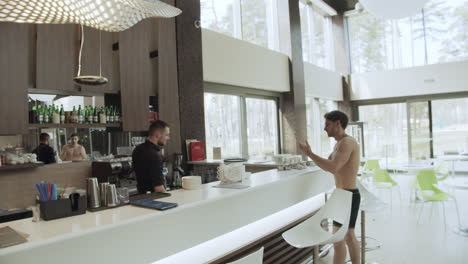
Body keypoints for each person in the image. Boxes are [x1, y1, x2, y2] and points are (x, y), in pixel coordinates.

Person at [298, 110, 361, 264]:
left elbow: (333, 167)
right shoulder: (339, 143)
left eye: (327, 124)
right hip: (342, 195)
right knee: (339, 239)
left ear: (337, 124)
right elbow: (331, 167)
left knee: (347, 236)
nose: (324, 128)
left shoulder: (347, 142)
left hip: (348, 195)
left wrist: (310, 154)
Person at [132, 120, 170, 194]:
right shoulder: (155, 155)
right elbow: (159, 189)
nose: (168, 138)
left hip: (141, 196)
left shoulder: (137, 149)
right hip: (154, 199)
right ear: (158, 134)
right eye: (166, 135)